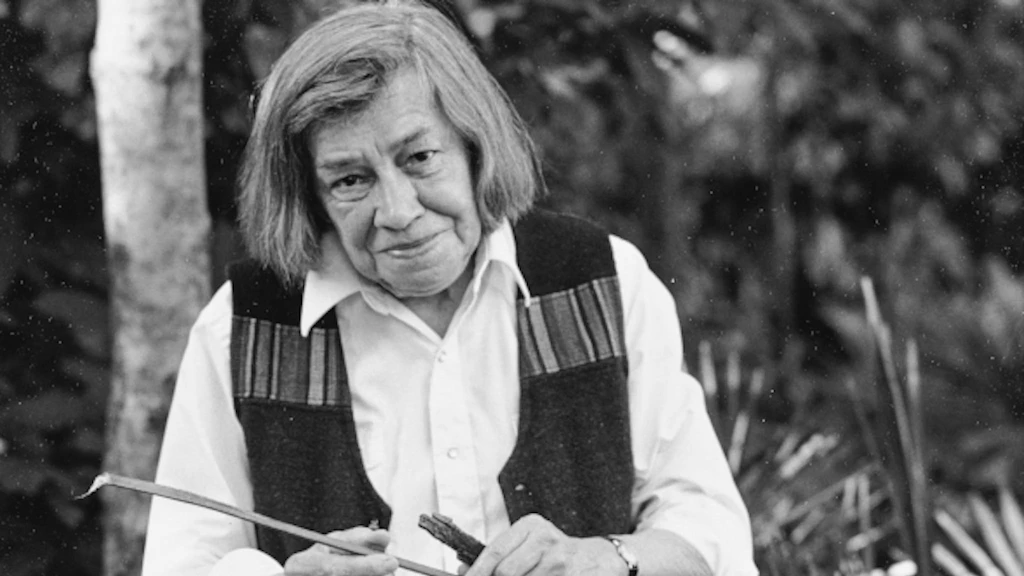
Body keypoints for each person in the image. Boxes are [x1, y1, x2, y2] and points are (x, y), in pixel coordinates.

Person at [140, 2, 758, 575]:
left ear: (473, 143)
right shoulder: (243, 328)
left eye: (419, 158)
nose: (398, 211)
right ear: (311, 197)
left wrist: (606, 559)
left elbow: (711, 533)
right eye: (351, 180)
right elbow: (179, 563)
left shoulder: (603, 282)